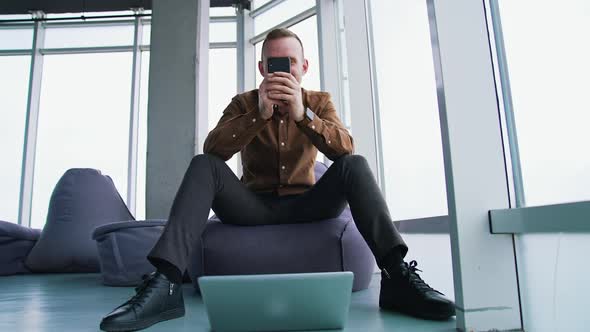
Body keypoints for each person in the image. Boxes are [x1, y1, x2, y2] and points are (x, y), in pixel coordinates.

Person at [99, 28, 455, 332]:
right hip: (252, 206)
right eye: (273, 64)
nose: (281, 72)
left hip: (308, 203)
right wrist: (258, 115)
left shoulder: (320, 101)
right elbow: (214, 149)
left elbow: (344, 148)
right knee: (203, 164)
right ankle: (165, 285)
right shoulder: (244, 103)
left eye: (289, 64)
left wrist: (304, 116)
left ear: (303, 67)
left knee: (355, 164)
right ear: (262, 68)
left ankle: (396, 276)